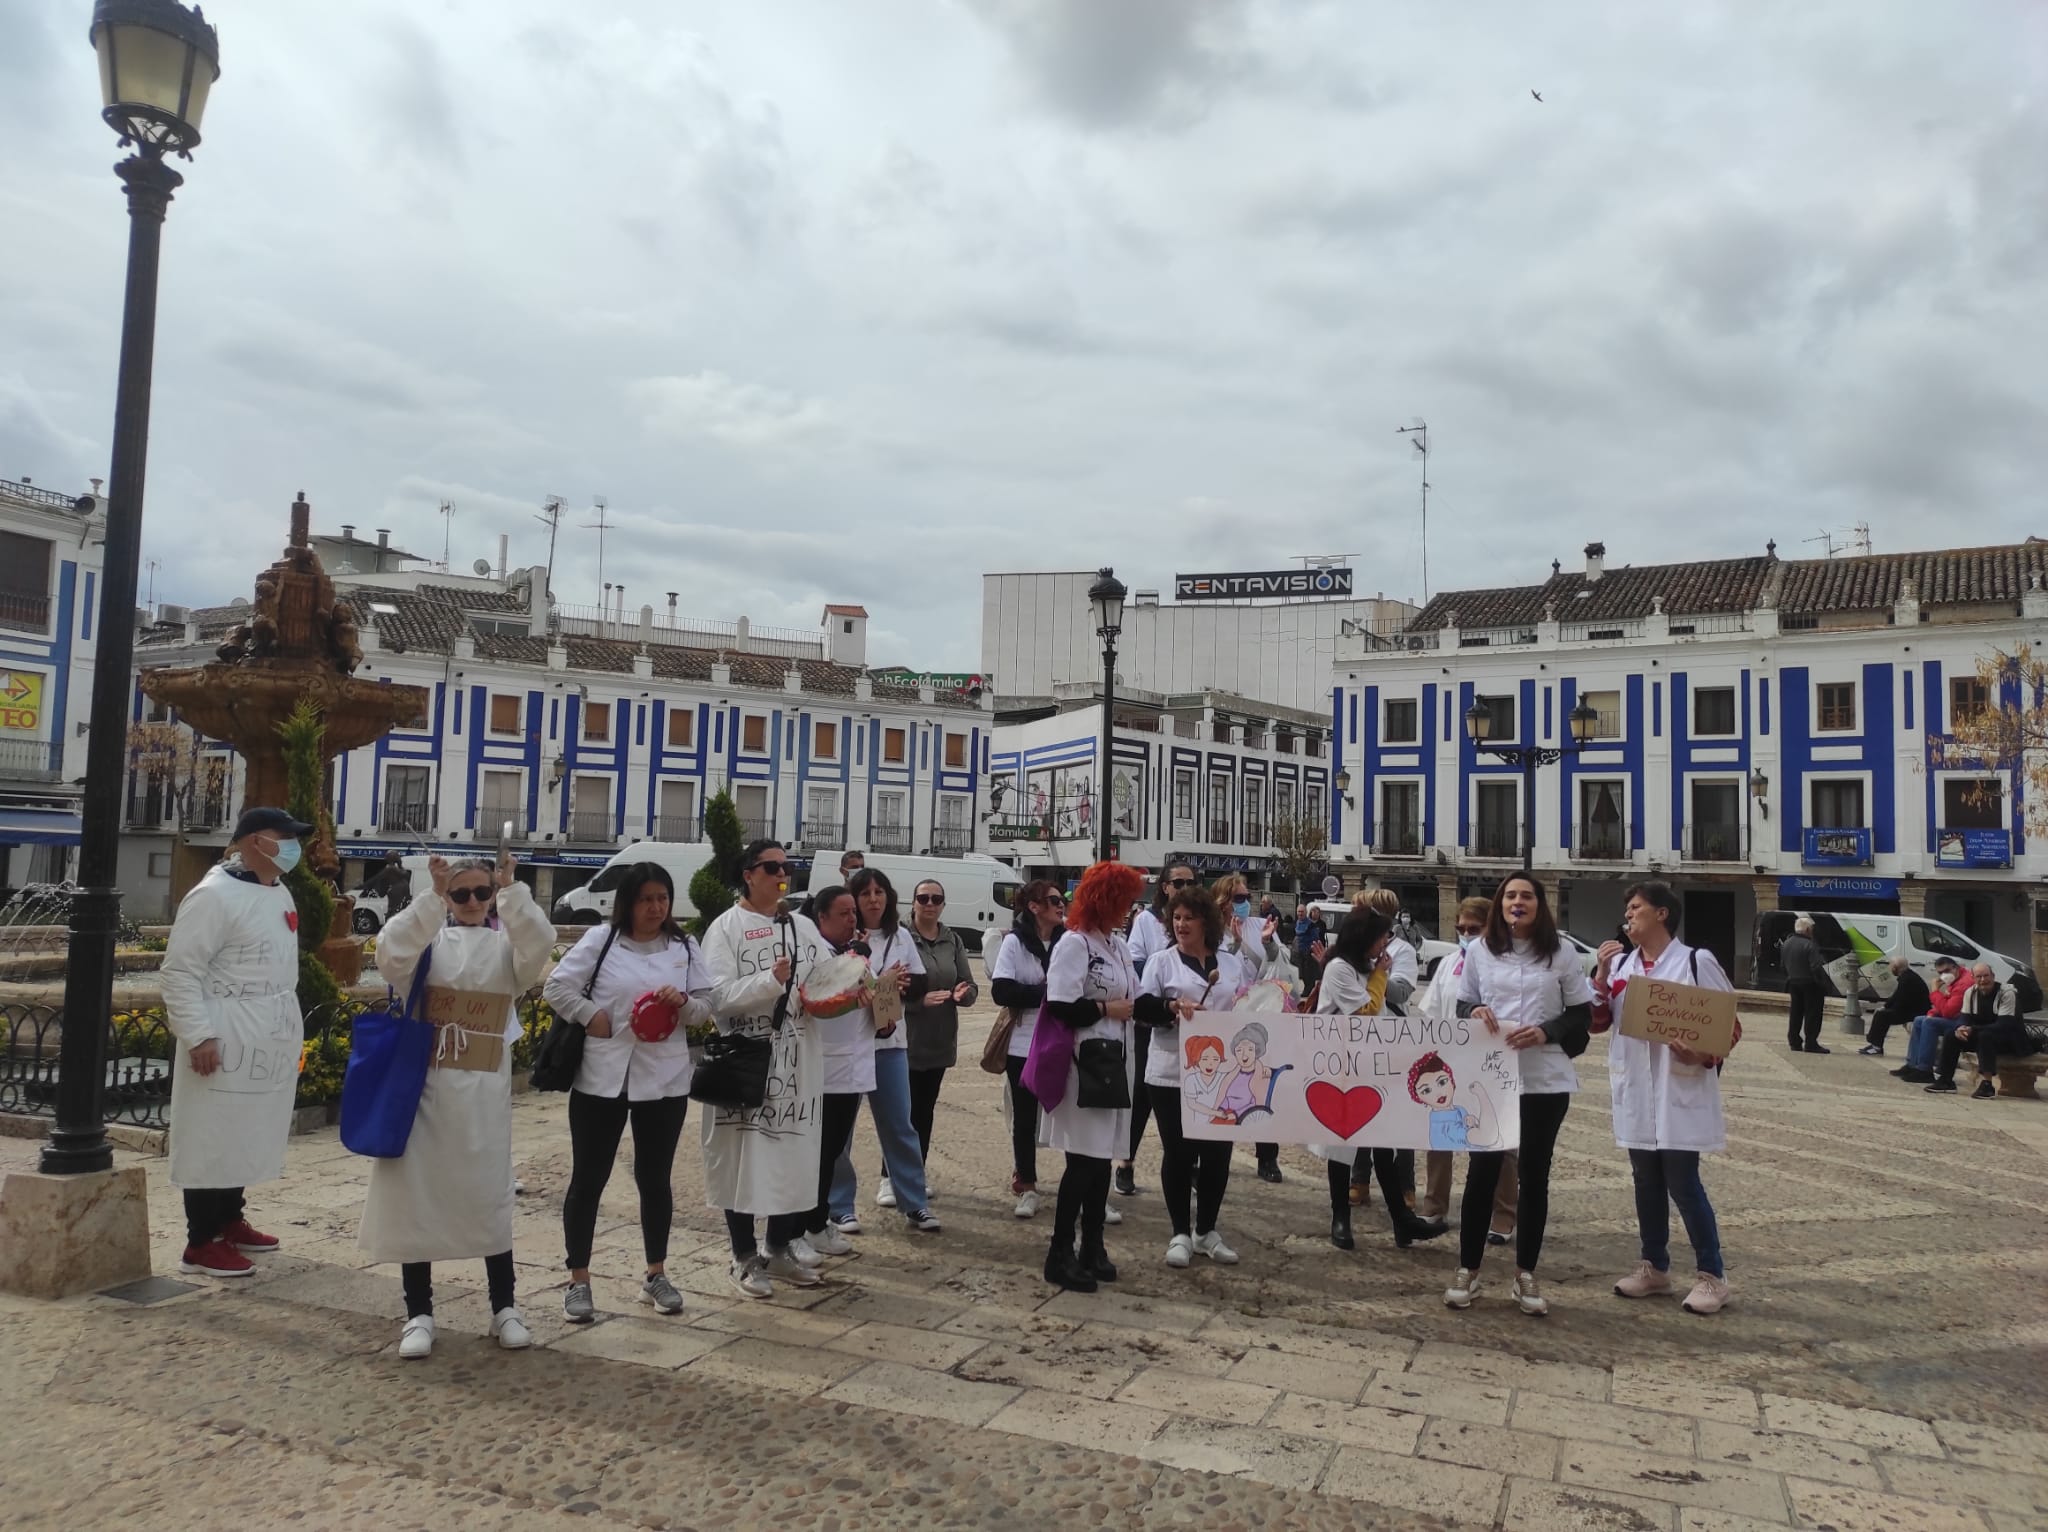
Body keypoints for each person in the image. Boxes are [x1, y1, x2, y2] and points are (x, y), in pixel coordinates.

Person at [365, 850, 553, 1356]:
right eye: (461, 893)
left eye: (482, 892)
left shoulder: (506, 950)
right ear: (448, 898)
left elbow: (539, 943)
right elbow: (389, 952)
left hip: (484, 1093)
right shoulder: (428, 945)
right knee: (417, 1198)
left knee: (488, 1196)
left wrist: (513, 892)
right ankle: (418, 1312)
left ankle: (504, 1305)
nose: (472, 901)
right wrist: (429, 898)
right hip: (425, 1089)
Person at [543, 861, 715, 1322]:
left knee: (655, 1178)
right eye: (646, 899)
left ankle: (656, 1272)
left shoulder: (684, 946)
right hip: (604, 1077)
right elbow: (557, 987)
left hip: (663, 1078)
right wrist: (590, 1016)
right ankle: (578, 1279)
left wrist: (684, 1003)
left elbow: (706, 1006)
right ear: (627, 902)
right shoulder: (601, 940)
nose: (656, 908)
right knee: (588, 1178)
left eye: (663, 898)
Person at [160, 807, 311, 1278]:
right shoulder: (212, 896)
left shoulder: (277, 889)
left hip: (267, 1028)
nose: (292, 845)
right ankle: (200, 1242)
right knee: (213, 1131)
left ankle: (230, 1217)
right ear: (251, 842)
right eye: (282, 836)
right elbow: (180, 971)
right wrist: (198, 1034)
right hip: (224, 1027)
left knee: (246, 1128)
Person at [1446, 873, 1595, 1316]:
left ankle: (1525, 1272)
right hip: (1491, 1077)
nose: (1518, 902)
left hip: (1544, 1078)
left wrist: (1546, 1031)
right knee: (1482, 1173)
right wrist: (1475, 1010)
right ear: (1500, 904)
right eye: (1510, 895)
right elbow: (1462, 1004)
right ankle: (1468, 1269)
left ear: (1539, 905)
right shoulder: (1480, 951)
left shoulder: (1561, 952)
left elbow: (1580, 1013)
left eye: (1526, 896)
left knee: (1534, 1176)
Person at [1593, 881, 1739, 1317]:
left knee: (1683, 1182)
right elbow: (1596, 1022)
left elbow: (1728, 1025)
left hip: (1678, 1086)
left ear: (1661, 914)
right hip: (1637, 1088)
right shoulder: (1621, 965)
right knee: (1645, 1179)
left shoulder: (1696, 961)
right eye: (1627, 908)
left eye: (1636, 907)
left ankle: (1712, 1275)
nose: (1628, 914)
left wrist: (1703, 1053)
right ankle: (1654, 1265)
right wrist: (1599, 975)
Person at [701, 840, 827, 1298]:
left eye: (786, 867)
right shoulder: (725, 928)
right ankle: (742, 1254)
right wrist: (768, 982)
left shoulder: (803, 926)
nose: (781, 874)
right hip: (746, 1059)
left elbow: (826, 978)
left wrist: (860, 987)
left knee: (791, 1154)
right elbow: (715, 997)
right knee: (741, 1157)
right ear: (748, 874)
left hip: (798, 1059)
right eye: (771, 866)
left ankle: (778, 1247)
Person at [1314, 907, 1450, 1252]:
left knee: (1384, 1144)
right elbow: (1367, 1010)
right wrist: (1380, 974)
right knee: (1342, 1146)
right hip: (1344, 1067)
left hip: (1373, 1067)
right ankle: (1340, 1216)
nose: (1384, 944)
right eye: (1380, 937)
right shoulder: (1340, 968)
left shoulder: (1365, 967)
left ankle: (1402, 1220)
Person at [1038, 859, 1145, 1293]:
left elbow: (1136, 1000)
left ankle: (1092, 1245)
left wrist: (1172, 1007)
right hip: (1085, 1066)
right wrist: (1105, 1008)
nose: (1129, 908)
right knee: (1083, 1162)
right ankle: (1059, 1251)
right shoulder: (1074, 944)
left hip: (1114, 1064)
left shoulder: (1116, 945)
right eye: (1124, 900)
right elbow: (1060, 1004)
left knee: (1101, 1162)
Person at [1135, 886, 1249, 1268]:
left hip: (1223, 1075)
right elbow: (1141, 1008)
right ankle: (1180, 1232)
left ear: (1206, 922)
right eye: (1176, 918)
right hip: (1171, 1072)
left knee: (1218, 1155)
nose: (1181, 925)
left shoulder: (1229, 964)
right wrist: (1171, 1007)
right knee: (1179, 1153)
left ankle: (1206, 1230)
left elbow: (1247, 1003)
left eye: (1189, 918)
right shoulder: (1161, 962)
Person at [829, 867, 937, 1231]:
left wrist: (902, 984)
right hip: (848, 1044)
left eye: (879, 892)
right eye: (865, 893)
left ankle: (914, 1202)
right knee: (840, 1130)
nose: (873, 899)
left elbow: (920, 983)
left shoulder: (901, 936)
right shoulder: (842, 937)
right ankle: (839, 1205)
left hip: (890, 1042)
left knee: (899, 1124)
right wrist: (876, 979)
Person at [1416, 898, 1517, 1245]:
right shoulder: (1448, 964)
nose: (1466, 934)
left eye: (1474, 929)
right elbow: (1432, 1011)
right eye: (1461, 928)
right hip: (1450, 1062)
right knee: (1440, 1134)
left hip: (1492, 1062)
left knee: (1499, 1139)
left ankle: (1503, 1214)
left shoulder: (1507, 964)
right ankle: (1434, 1206)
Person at [801, 885, 874, 1259]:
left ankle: (818, 1224)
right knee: (814, 1154)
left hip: (852, 1067)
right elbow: (819, 1001)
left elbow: (874, 1003)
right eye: (843, 913)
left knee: (831, 1152)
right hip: (822, 1068)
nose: (851, 919)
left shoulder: (855, 955)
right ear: (822, 918)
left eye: (853, 913)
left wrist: (883, 997)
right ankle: (798, 1229)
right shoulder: (815, 955)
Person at [1115, 860, 1196, 1197]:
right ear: (1165, 887)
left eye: (1190, 883)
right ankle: (1126, 1161)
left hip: (1190, 1022)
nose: (1184, 888)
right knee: (1142, 1094)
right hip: (1154, 1016)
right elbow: (1135, 963)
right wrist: (1165, 968)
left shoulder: (1200, 922)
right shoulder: (1148, 921)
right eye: (1178, 883)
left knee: (1191, 1093)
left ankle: (1186, 1163)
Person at [990, 881, 1066, 1219]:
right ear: (1034, 907)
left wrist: (1039, 993)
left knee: (1069, 1114)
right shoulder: (1015, 942)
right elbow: (1002, 991)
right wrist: (1051, 995)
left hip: (1061, 1040)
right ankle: (1027, 1183)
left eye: (1062, 900)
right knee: (1024, 1117)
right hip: (1024, 1042)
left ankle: (1083, 1184)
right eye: (1053, 900)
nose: (1061, 905)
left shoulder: (1069, 940)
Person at [1213, 872, 1289, 1182]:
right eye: (1239, 898)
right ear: (1224, 901)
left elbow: (1279, 966)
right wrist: (1235, 944)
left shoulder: (1260, 925)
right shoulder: (1212, 929)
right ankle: (1215, 1153)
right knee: (1224, 1085)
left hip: (1259, 1014)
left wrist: (1268, 943)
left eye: (1248, 897)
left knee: (1262, 1086)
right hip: (1225, 1015)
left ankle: (1267, 1156)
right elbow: (1218, 968)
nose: (1245, 903)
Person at [907, 879, 978, 1166]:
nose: (929, 904)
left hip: (939, 1041)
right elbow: (882, 992)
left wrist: (964, 994)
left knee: (924, 1112)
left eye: (936, 899)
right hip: (905, 1041)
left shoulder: (952, 940)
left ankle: (916, 1174)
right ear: (913, 902)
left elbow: (970, 985)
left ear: (943, 905)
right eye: (923, 898)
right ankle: (890, 1175)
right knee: (902, 1114)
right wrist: (918, 1002)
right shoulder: (900, 937)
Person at [1927, 964, 2027, 1098]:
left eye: (1986, 976)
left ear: (1993, 976)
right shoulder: (1971, 992)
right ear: (1973, 978)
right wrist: (1961, 1028)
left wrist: (1973, 1029)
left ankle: (1987, 1085)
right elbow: (1964, 1018)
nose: (1983, 980)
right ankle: (1945, 1080)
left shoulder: (2006, 993)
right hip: (1982, 1034)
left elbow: (2004, 1024)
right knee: (1952, 1035)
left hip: (2010, 1039)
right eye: (1979, 977)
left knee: (1985, 1036)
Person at [1894, 958, 1973, 1082]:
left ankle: (1924, 1070)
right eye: (1940, 973)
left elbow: (1948, 1011)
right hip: (1954, 1017)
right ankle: (1912, 1065)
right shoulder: (1955, 979)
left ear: (1955, 968)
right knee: (1919, 1020)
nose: (1944, 975)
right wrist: (1932, 1013)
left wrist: (1935, 991)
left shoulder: (1964, 983)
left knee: (1930, 1023)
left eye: (1947, 971)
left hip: (1964, 1022)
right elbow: (1944, 1005)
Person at [1860, 957, 1931, 1058]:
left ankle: (1876, 1046)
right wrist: (1885, 1006)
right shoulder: (1907, 976)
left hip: (1916, 1012)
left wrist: (1888, 1009)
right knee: (1881, 1013)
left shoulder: (1907, 979)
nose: (1890, 968)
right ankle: (1874, 1044)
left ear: (1896, 967)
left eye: (1891, 966)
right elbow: (1896, 996)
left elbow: (1901, 1000)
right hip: (1913, 1009)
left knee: (1882, 1016)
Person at [1779, 918, 1828, 1054]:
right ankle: (1811, 1042)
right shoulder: (1810, 945)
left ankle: (1794, 1041)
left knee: (1796, 1012)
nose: (1812, 931)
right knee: (1813, 1014)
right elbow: (1816, 966)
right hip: (1810, 983)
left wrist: (1791, 975)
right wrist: (1822, 982)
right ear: (1807, 929)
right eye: (1811, 929)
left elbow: (1782, 966)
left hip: (1793, 982)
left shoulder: (1787, 943)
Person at [368, 851, 412, 918]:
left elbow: (382, 892)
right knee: (395, 912)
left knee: (393, 913)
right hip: (399, 898)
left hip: (397, 899)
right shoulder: (396, 871)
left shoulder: (390, 870)